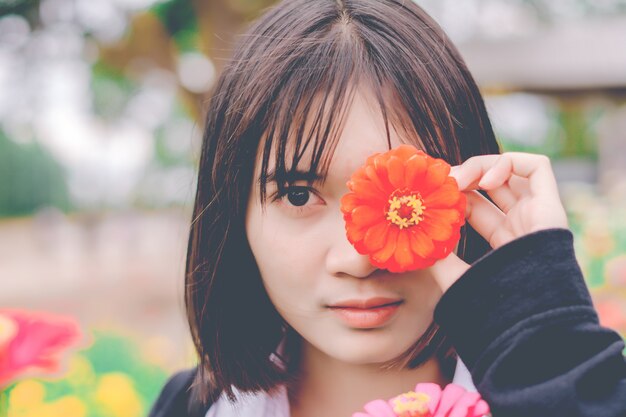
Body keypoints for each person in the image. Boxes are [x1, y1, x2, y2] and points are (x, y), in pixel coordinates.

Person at [147, 1, 626, 416]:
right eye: (298, 194)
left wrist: (548, 343)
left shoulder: (570, 388)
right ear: (235, 216)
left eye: (410, 198)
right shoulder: (190, 408)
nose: (360, 259)